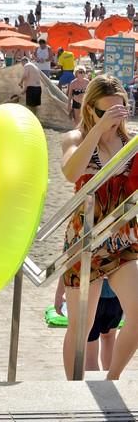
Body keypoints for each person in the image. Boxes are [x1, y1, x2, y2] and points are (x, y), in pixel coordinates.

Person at [59, 75, 137, 381]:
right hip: (84, 239)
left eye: (121, 109)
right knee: (81, 326)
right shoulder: (75, 139)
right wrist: (98, 130)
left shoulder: (131, 144)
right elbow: (70, 172)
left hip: (122, 240)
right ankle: (73, 390)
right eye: (108, 111)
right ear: (90, 109)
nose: (116, 118)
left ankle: (112, 378)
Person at [54, 277, 123, 371]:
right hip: (116, 295)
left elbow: (68, 263)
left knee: (90, 353)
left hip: (91, 294)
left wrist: (59, 293)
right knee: (109, 338)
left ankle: (97, 383)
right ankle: (110, 378)